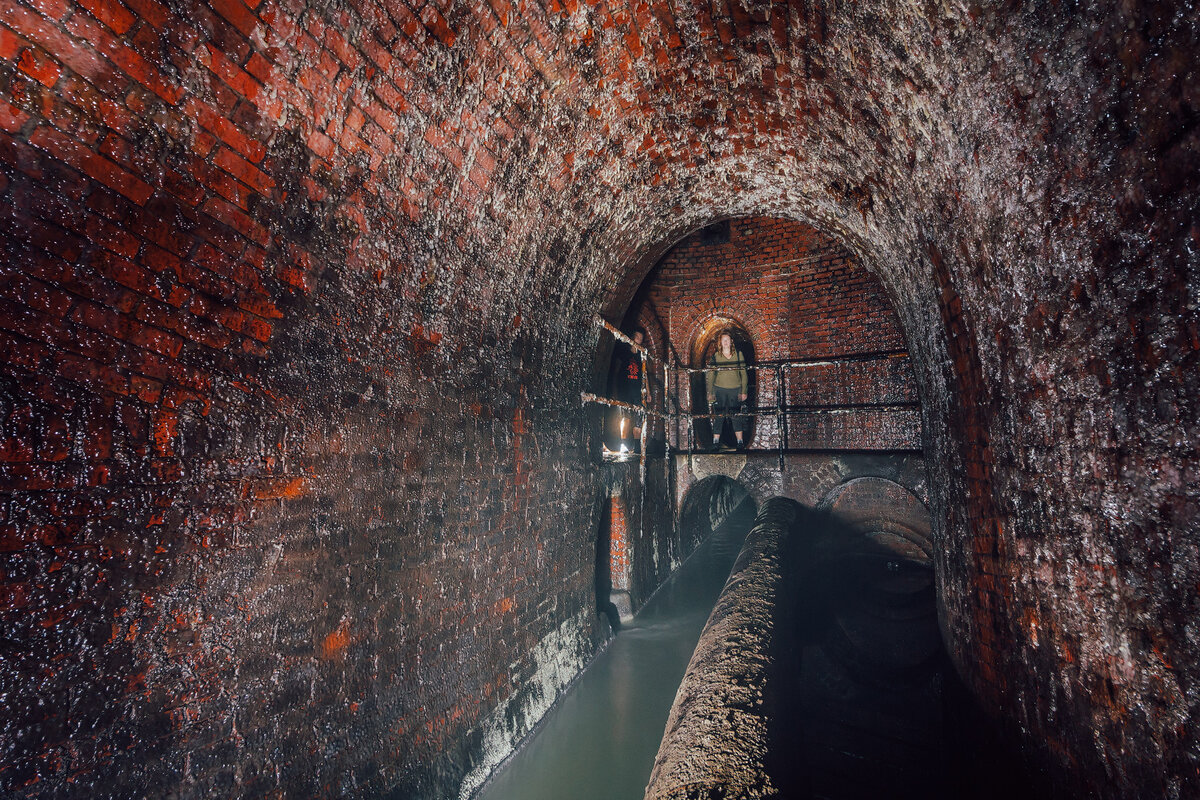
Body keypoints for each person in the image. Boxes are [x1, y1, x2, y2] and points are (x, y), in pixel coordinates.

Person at [706, 332, 748, 450]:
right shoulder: (715, 356)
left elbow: (743, 373)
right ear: (720, 343)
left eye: (727, 339)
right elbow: (711, 375)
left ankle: (740, 442)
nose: (725, 342)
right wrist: (710, 392)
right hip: (719, 390)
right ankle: (715, 442)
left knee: (736, 416)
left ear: (731, 341)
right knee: (719, 416)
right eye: (723, 340)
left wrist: (744, 390)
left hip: (735, 390)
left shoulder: (738, 355)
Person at [612, 329, 646, 452]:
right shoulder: (624, 353)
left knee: (638, 419)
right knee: (626, 418)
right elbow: (616, 372)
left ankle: (637, 447)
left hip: (637, 391)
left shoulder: (641, 356)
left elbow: (645, 375)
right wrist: (615, 390)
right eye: (637, 337)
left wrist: (649, 393)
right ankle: (624, 445)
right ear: (632, 338)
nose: (639, 341)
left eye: (641, 339)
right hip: (625, 390)